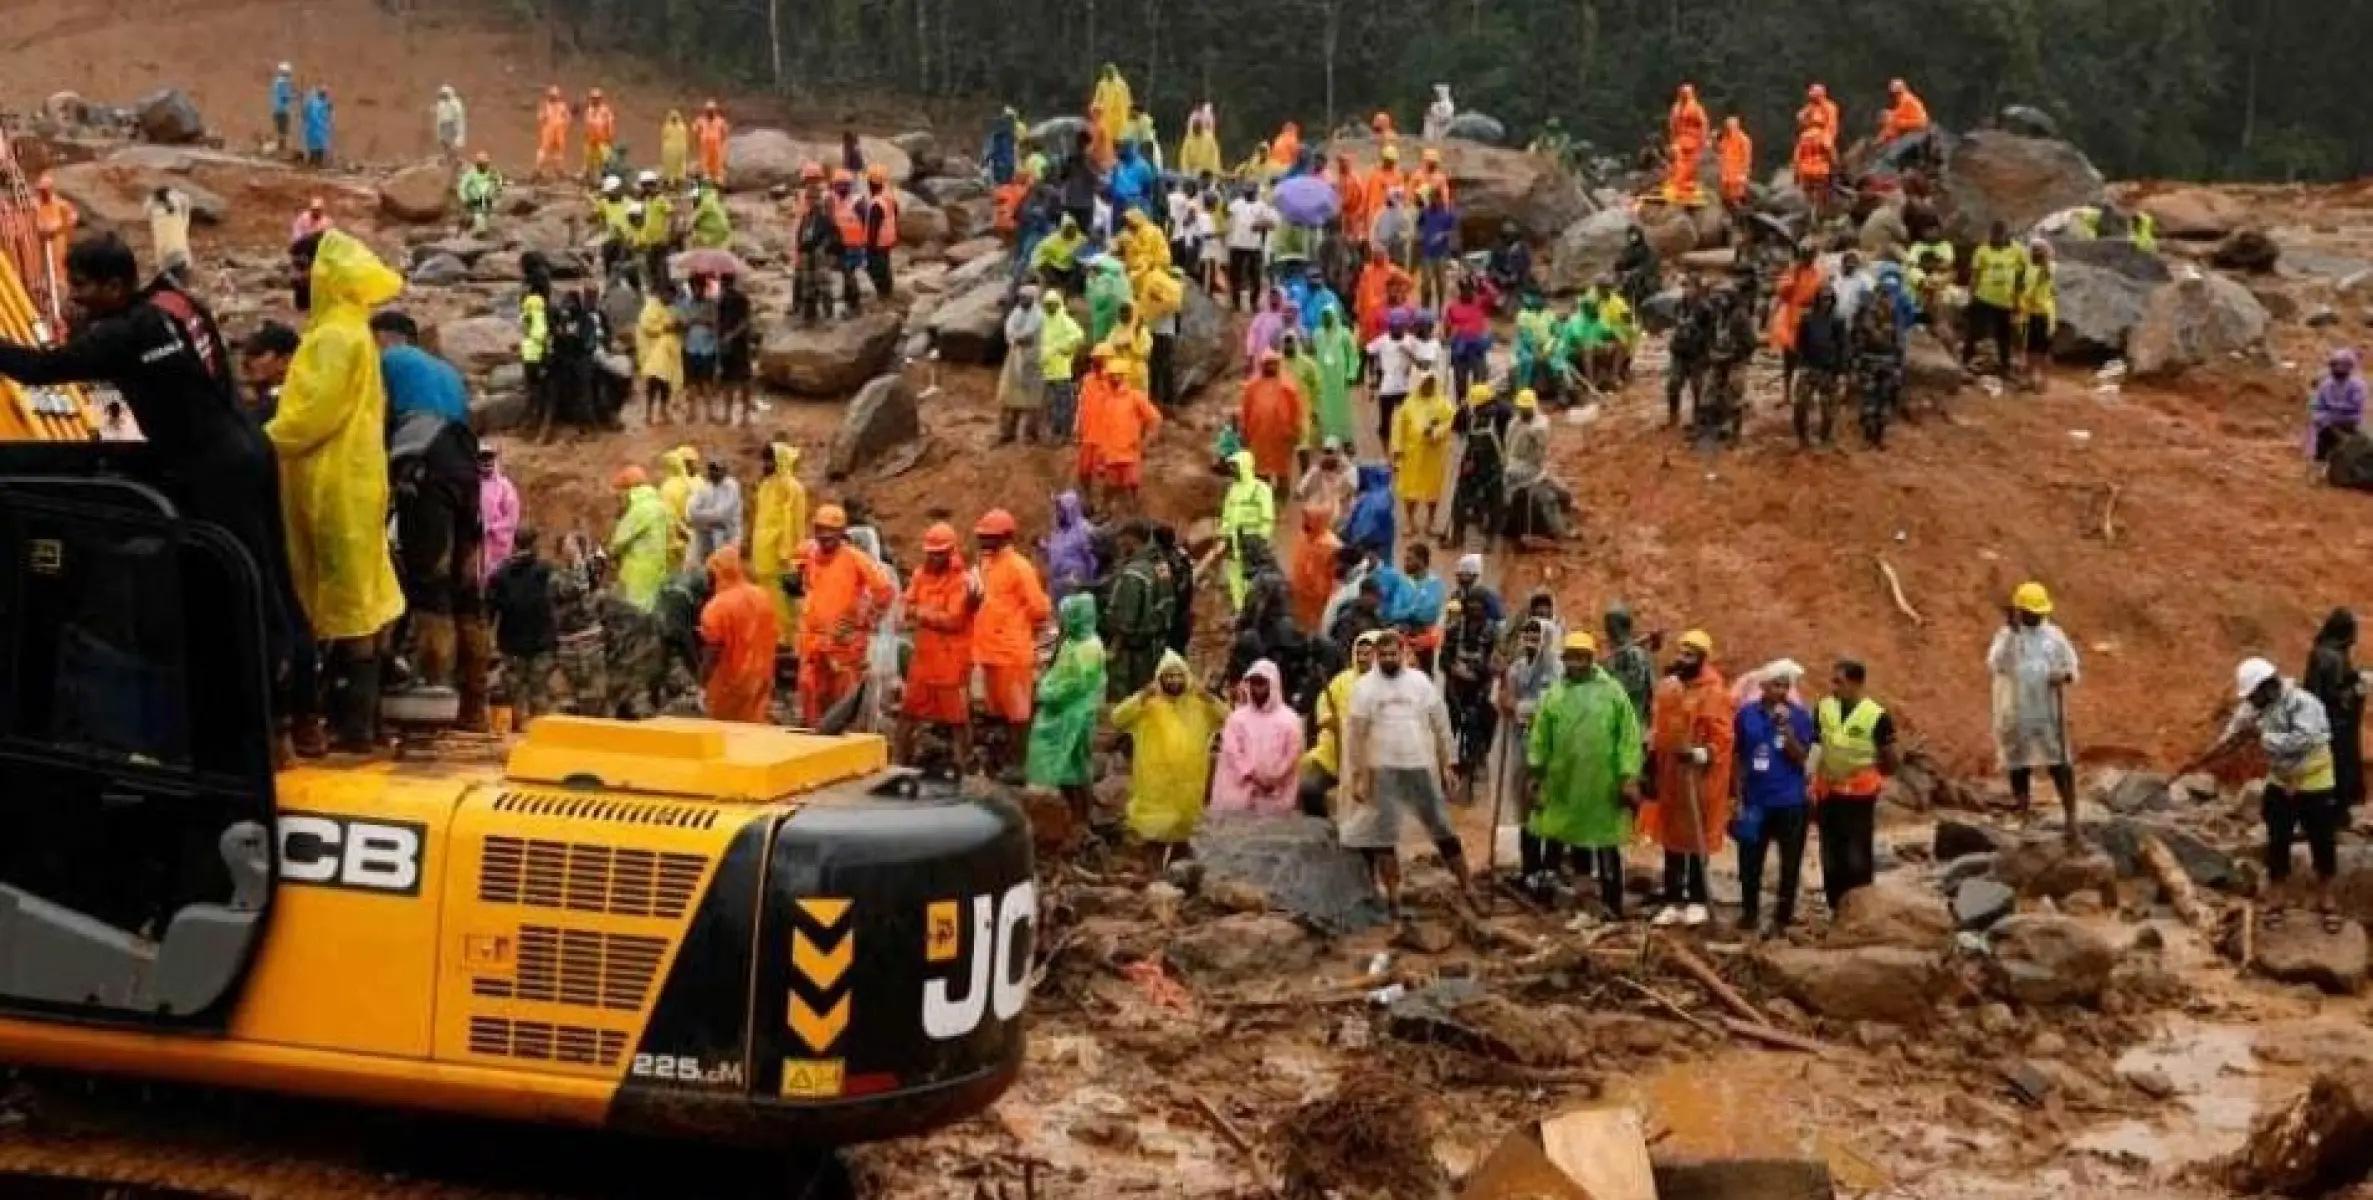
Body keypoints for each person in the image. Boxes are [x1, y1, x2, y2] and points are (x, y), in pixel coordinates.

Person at [0, 234, 314, 739]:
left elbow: (43, 370)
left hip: (211, 470)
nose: (74, 295)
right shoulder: (178, 299)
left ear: (116, 283)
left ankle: (268, 725)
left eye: (82, 286)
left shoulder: (124, 334)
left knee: (239, 591)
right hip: (248, 449)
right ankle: (304, 713)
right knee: (274, 581)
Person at [266, 231, 407, 748]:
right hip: (359, 479)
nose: (294, 277)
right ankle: (361, 725)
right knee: (363, 599)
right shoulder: (355, 331)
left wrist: (261, 443)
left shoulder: (331, 337)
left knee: (341, 602)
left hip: (331, 483)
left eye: (303, 266)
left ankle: (347, 724)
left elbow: (309, 415)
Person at [2198, 658, 2341, 925]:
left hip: (2314, 782)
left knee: (2322, 841)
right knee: (2278, 840)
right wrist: (2212, 753)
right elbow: (2235, 730)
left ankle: (2326, 897)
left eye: (2254, 695)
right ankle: (2277, 899)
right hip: (2281, 781)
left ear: (2268, 687)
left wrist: (2264, 737)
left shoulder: (2303, 703)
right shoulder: (2256, 707)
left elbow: (2306, 740)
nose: (2251, 701)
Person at [1344, 631, 1470, 917]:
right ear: (1377, 655)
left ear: (1402, 653)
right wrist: (1359, 776)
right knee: (1384, 835)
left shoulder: (1419, 682)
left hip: (1419, 765)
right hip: (1382, 768)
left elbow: (1440, 723)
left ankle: (1466, 885)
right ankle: (1394, 897)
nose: (1389, 659)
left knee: (1440, 826)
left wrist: (1448, 762)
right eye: (1383, 654)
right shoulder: (1364, 688)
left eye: (1393, 654)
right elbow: (1356, 736)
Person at [1525, 631, 1646, 923]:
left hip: (1602, 784)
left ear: (1591, 659)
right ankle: (1582, 904)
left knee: (1605, 844)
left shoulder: (1613, 692)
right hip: (1564, 783)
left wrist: (1628, 775)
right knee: (1573, 841)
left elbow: (1628, 737)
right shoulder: (1556, 693)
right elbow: (1540, 736)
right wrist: (1535, 771)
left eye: (1582, 657)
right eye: (1571, 657)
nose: (1576, 663)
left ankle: (1612, 905)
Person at [1645, 630, 1732, 927]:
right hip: (1672, 774)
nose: (1683, 660)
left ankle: (1696, 898)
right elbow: (1659, 725)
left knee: (1697, 838)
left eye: (1690, 656)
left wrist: (1701, 753)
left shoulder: (1714, 692)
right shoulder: (1669, 688)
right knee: (1671, 837)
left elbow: (1723, 735)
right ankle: (1672, 899)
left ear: (1702, 659)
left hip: (1699, 776)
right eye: (1681, 654)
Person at [1988, 581, 2082, 833]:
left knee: (2059, 760)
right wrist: (2012, 633)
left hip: (2046, 709)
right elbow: (1997, 663)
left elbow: (2072, 665)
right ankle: (2023, 813)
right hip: (2016, 709)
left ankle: (2071, 816)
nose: (2035, 616)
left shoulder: (2054, 635)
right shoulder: (2006, 637)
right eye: (2030, 612)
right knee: (2018, 763)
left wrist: (2064, 675)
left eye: (2038, 612)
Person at [1114, 652, 1231, 851]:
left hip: (1189, 783)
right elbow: (1118, 718)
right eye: (1169, 676)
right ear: (1160, 678)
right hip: (1155, 783)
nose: (1174, 680)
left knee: (1184, 833)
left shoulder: (1199, 705)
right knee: (1153, 834)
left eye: (1178, 675)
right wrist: (1142, 696)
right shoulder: (1148, 705)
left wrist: (1210, 698)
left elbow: (1230, 720)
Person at [792, 504, 894, 726]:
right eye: (820, 529)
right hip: (814, 642)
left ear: (841, 532)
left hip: (843, 645)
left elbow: (884, 591)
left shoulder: (855, 559)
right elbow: (805, 586)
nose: (825, 535)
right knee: (809, 690)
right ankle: (812, 739)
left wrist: (862, 619)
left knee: (842, 698)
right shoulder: (810, 555)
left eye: (830, 530)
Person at [970, 509, 1051, 778]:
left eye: (988, 537)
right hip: (990, 652)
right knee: (998, 712)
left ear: (1005, 537)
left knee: (1018, 714)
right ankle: (1003, 761)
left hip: (1012, 654)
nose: (982, 542)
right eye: (981, 537)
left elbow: (1040, 608)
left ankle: (1020, 765)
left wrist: (1013, 623)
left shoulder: (1019, 566)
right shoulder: (986, 564)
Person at [1809, 659, 1895, 912]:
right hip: (1828, 792)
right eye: (1832, 681)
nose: (1833, 687)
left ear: (1857, 683)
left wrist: (1877, 773)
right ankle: (1835, 908)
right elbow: (1816, 747)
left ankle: (1861, 909)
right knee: (1831, 855)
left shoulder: (1876, 716)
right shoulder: (1823, 709)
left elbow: (1890, 758)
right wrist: (1809, 782)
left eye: (1840, 682)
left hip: (1859, 796)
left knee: (1857, 855)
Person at [1026, 593, 1107, 822]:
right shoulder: (1076, 642)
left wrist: (1046, 691)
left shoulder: (1086, 649)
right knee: (1071, 768)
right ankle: (1076, 815)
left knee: (1068, 765)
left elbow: (1074, 685)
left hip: (1069, 714)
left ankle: (1075, 817)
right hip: (1066, 712)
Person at [1210, 660, 1306, 818]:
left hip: (1276, 792)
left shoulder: (1290, 719)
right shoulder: (1237, 718)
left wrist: (1273, 779)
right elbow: (1232, 751)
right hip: (1240, 792)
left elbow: (1292, 754)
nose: (1257, 688)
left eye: (1262, 683)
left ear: (1273, 684)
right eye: (1253, 683)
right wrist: (1251, 775)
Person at [693, 546, 776, 723]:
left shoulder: (716, 607)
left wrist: (702, 683)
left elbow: (712, 652)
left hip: (728, 686)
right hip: (760, 680)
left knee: (727, 737)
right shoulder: (763, 596)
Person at [1075, 347, 1163, 515]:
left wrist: (1146, 442)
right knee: (1109, 488)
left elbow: (1155, 419)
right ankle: (1105, 513)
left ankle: (1134, 517)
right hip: (1110, 454)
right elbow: (1095, 421)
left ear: (1124, 376)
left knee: (1132, 487)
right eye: (1112, 375)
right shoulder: (1105, 397)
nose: (1114, 378)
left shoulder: (1135, 397)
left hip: (1129, 454)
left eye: (1118, 375)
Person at [485, 527, 557, 722]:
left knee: (514, 696)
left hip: (511, 643)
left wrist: (489, 641)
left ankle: (518, 731)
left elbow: (490, 611)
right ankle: (540, 735)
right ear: (535, 545)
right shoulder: (547, 571)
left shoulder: (500, 574)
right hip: (541, 642)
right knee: (540, 694)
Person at [1104, 520, 1175, 699]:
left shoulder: (1133, 574)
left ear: (1132, 540)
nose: (1120, 546)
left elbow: (1126, 619)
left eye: (1123, 542)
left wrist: (1114, 648)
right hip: (1157, 643)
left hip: (1135, 651)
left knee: (1132, 699)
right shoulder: (1160, 564)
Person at [748, 443, 808, 652]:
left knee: (783, 599)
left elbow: (795, 524)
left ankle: (787, 639)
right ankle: (772, 634)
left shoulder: (792, 488)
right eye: (764, 460)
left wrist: (790, 553)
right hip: (763, 552)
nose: (766, 464)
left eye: (770, 460)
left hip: (781, 555)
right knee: (766, 596)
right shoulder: (766, 485)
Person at [2305, 610, 2366, 812]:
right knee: (2340, 768)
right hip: (2336, 725)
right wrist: (2357, 691)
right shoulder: (2334, 657)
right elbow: (2336, 695)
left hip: (2319, 722)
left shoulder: (2320, 651)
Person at [1390, 374, 1456, 532]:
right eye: (1425, 383)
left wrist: (1436, 432)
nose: (1428, 387)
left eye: (1431, 383)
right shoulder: (1409, 403)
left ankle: (1431, 521)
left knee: (1433, 489)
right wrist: (1397, 448)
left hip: (1434, 454)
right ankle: (1409, 520)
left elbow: (1451, 421)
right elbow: (1399, 427)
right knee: (1410, 488)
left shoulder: (1443, 403)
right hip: (1412, 454)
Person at [1216, 450, 1277, 611]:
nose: (1232, 470)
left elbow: (1267, 518)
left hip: (1252, 541)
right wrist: (1225, 535)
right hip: (1234, 541)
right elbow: (1226, 515)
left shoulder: (1260, 489)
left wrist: (1260, 539)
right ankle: (1240, 610)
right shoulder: (1233, 490)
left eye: (1235, 466)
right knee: (1235, 577)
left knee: (1253, 578)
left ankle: (1255, 611)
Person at [1451, 383, 1509, 548]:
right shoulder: (1471, 414)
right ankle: (1457, 535)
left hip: (1494, 464)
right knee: (1460, 499)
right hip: (1471, 462)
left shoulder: (1501, 415)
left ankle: (1491, 538)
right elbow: (1456, 428)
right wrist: (1461, 410)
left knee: (1495, 502)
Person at [1965, 222, 2027, 374]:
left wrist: (2018, 299)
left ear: (2006, 235)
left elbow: (2021, 276)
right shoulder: (1982, 250)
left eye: (1999, 235)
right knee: (1975, 331)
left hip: (2005, 300)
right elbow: (1975, 275)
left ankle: (2004, 365)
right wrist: (1971, 297)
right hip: (1983, 297)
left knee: (2004, 334)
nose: (1996, 239)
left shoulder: (2017, 251)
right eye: (1994, 235)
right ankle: (1966, 361)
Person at [608, 466, 670, 611]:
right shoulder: (657, 504)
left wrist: (609, 553)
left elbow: (618, 541)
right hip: (657, 565)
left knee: (635, 611)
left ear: (629, 490)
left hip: (637, 570)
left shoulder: (639, 509)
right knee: (652, 605)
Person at [1792, 286, 1849, 449]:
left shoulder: (1838, 320)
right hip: (1809, 367)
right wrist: (1801, 364)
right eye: (1824, 299)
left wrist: (1841, 371)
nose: (1827, 302)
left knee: (1829, 410)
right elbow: (1799, 344)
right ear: (1817, 300)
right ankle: (1802, 438)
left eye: (1830, 299)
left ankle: (1824, 438)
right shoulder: (1807, 318)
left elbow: (1843, 347)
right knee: (1800, 405)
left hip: (1829, 370)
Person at [1239, 351, 1304, 489]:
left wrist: (1297, 430)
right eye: (1268, 364)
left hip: (1281, 435)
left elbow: (1297, 410)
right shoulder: (1252, 385)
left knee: (1282, 466)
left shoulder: (1288, 385)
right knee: (1261, 468)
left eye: (1273, 364)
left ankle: (1282, 491)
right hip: (1259, 434)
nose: (1270, 367)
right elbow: (1245, 409)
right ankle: (1263, 492)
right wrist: (1243, 431)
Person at [1039, 289, 1087, 440]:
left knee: (1063, 403)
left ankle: (1063, 433)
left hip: (1061, 370)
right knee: (1050, 404)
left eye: (1053, 304)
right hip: (1046, 371)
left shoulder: (1065, 320)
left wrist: (1062, 348)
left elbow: (1079, 336)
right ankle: (1054, 431)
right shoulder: (1044, 321)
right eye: (1047, 304)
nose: (1050, 307)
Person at [637, 282, 685, 426]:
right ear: (663, 293)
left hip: (668, 353)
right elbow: (646, 326)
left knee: (666, 383)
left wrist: (678, 326)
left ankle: (663, 411)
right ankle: (649, 413)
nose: (671, 298)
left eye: (673, 296)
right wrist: (665, 327)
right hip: (653, 352)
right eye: (669, 295)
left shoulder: (672, 309)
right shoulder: (650, 307)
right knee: (653, 383)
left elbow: (678, 326)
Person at [2311, 350, 2366, 464]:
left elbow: (2355, 405)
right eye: (2335, 365)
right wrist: (2319, 416)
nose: (2338, 368)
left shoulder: (2357, 385)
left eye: (2342, 365)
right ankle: (2320, 460)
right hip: (2328, 417)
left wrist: (2334, 408)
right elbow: (2319, 405)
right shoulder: (2326, 384)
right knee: (2320, 428)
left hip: (2349, 418)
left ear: (2349, 367)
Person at [687, 456, 744, 567]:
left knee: (727, 568)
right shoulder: (707, 487)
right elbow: (692, 510)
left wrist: (702, 519)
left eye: (716, 469)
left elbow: (721, 514)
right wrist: (709, 520)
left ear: (724, 470)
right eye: (711, 469)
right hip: (710, 536)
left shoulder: (731, 486)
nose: (713, 473)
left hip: (729, 535)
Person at [2017, 239, 2057, 392]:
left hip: (2044, 314)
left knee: (2043, 350)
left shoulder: (2049, 268)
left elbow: (2045, 275)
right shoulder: (2029, 268)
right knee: (2030, 349)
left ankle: (2044, 381)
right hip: (2030, 313)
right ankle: (2029, 378)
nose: (2036, 253)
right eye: (2034, 250)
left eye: (2039, 251)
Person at [1224, 185, 1273, 311]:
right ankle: (1235, 303)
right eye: (1246, 192)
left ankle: (1254, 302)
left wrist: (1261, 225)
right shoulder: (1236, 204)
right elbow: (1228, 216)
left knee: (1256, 277)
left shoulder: (1262, 206)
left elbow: (1270, 223)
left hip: (1254, 247)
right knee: (1235, 276)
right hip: (1236, 245)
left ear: (1255, 193)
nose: (1248, 194)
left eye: (1251, 192)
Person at [715, 273, 755, 425]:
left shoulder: (739, 299)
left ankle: (739, 415)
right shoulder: (723, 300)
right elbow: (720, 321)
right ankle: (734, 414)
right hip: (730, 344)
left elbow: (745, 322)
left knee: (740, 380)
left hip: (738, 344)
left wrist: (730, 335)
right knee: (731, 379)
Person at [477, 444, 520, 585]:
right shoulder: (472, 484)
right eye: (482, 458)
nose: (486, 462)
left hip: (498, 547)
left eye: (489, 458)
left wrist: (492, 527)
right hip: (476, 545)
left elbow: (512, 519)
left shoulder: (505, 487)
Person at [1339, 462, 1397, 560]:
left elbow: (1356, 521)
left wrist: (1346, 536)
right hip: (1385, 538)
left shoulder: (1366, 498)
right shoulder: (1386, 494)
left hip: (1366, 540)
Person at [1665, 84, 1709, 205]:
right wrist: (1673, 140)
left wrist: (1703, 140)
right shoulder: (1676, 108)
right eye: (1683, 92)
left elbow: (1703, 124)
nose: (1685, 95)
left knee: (1691, 166)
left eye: (1688, 92)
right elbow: (1672, 125)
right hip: (1680, 140)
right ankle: (1676, 188)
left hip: (1693, 140)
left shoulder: (1697, 108)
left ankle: (1687, 189)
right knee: (1678, 164)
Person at [1298, 439, 1358, 523]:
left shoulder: (1347, 467)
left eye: (1331, 451)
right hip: (1327, 504)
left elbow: (1351, 487)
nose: (1328, 455)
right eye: (1326, 451)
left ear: (1337, 452)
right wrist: (1300, 489)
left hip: (1344, 507)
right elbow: (1309, 475)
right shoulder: (1320, 465)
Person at [143, 187, 193, 283]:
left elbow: (145, 211)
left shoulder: (153, 206)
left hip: (167, 255)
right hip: (180, 255)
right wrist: (185, 221)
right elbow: (187, 201)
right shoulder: (176, 200)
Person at [1791, 128, 1836, 221]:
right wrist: (1835, 164)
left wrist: (1796, 175)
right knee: (1822, 196)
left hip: (1805, 171)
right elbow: (1830, 151)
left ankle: (1808, 216)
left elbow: (1796, 158)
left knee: (1808, 197)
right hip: (1820, 170)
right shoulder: (1824, 135)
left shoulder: (1803, 137)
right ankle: (1820, 217)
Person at [457, 153, 505, 236]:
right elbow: (462, 187)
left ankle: (478, 232)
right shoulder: (471, 174)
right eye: (483, 163)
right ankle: (472, 235)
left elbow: (498, 183)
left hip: (487, 201)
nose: (486, 165)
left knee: (487, 221)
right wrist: (465, 199)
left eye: (486, 163)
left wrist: (497, 193)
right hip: (475, 201)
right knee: (481, 223)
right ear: (479, 163)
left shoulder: (491, 173)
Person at [1715, 116, 1752, 209]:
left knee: (1738, 200)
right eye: (1727, 126)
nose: (1729, 128)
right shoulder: (1724, 140)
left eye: (1731, 126)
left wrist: (1744, 174)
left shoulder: (1744, 140)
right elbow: (1720, 153)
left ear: (1737, 126)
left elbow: (1747, 159)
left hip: (1737, 177)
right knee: (1726, 200)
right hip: (1726, 177)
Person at [1879, 79, 1930, 143]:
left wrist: (1889, 115)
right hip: (1916, 123)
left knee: (1893, 123)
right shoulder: (1905, 98)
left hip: (1919, 123)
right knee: (1893, 122)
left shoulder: (1906, 99)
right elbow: (1899, 113)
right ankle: (1881, 141)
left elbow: (1897, 115)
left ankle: (1880, 142)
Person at [536, 86, 571, 180]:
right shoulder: (546, 105)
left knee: (558, 151)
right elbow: (540, 118)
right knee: (544, 150)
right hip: (549, 130)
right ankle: (538, 169)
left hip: (558, 130)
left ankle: (558, 169)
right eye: (552, 96)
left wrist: (564, 126)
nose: (554, 98)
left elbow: (567, 117)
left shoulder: (562, 106)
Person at [582, 89, 617, 182]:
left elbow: (610, 123)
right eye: (593, 98)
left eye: (596, 98)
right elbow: (587, 124)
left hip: (603, 140)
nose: (594, 100)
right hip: (591, 140)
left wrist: (610, 136)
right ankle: (588, 178)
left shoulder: (605, 111)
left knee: (605, 160)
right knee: (589, 160)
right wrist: (586, 135)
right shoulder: (589, 110)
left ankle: (605, 179)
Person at [694, 101, 730, 185]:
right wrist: (699, 141)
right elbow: (695, 131)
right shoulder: (700, 120)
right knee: (705, 165)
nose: (710, 112)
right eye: (708, 110)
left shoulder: (720, 121)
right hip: (705, 148)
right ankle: (707, 183)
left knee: (718, 166)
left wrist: (724, 145)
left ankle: (718, 184)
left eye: (712, 110)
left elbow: (725, 133)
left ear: (715, 110)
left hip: (717, 148)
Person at [301, 86, 334, 167]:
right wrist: (323, 124)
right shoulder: (316, 103)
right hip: (315, 129)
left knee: (319, 147)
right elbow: (313, 116)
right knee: (316, 148)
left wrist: (329, 108)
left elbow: (326, 112)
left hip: (318, 129)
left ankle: (316, 163)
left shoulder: (320, 102)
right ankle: (315, 163)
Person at [434, 85, 468, 161]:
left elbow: (458, 115)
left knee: (453, 142)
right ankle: (447, 156)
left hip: (453, 124)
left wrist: (456, 126)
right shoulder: (441, 103)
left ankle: (455, 157)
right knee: (444, 141)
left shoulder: (455, 103)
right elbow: (439, 114)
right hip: (444, 124)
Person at [659, 110, 691, 186]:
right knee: (669, 166)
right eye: (673, 117)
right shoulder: (666, 127)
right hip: (669, 151)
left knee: (680, 166)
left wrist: (684, 149)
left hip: (680, 150)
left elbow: (685, 138)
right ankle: (670, 181)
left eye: (675, 117)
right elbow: (663, 138)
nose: (674, 119)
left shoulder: (682, 127)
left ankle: (679, 180)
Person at [271, 63, 297, 150]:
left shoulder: (278, 82)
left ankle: (281, 148)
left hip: (278, 110)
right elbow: (285, 98)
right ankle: (281, 149)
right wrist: (295, 97)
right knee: (283, 132)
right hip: (282, 111)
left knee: (281, 131)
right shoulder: (282, 83)